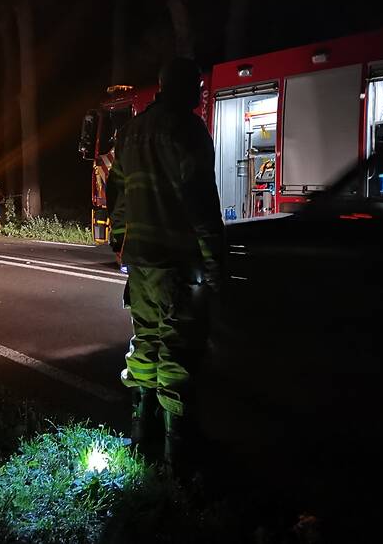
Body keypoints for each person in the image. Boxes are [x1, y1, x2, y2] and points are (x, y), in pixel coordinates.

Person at [107, 57, 224, 474]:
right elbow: (200, 201)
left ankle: (142, 434)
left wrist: (120, 241)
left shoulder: (131, 132)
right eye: (198, 87)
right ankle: (178, 454)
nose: (200, 95)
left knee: (146, 343)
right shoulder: (188, 130)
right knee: (177, 350)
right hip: (178, 263)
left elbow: (117, 193)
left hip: (141, 262)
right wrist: (215, 259)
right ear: (184, 87)